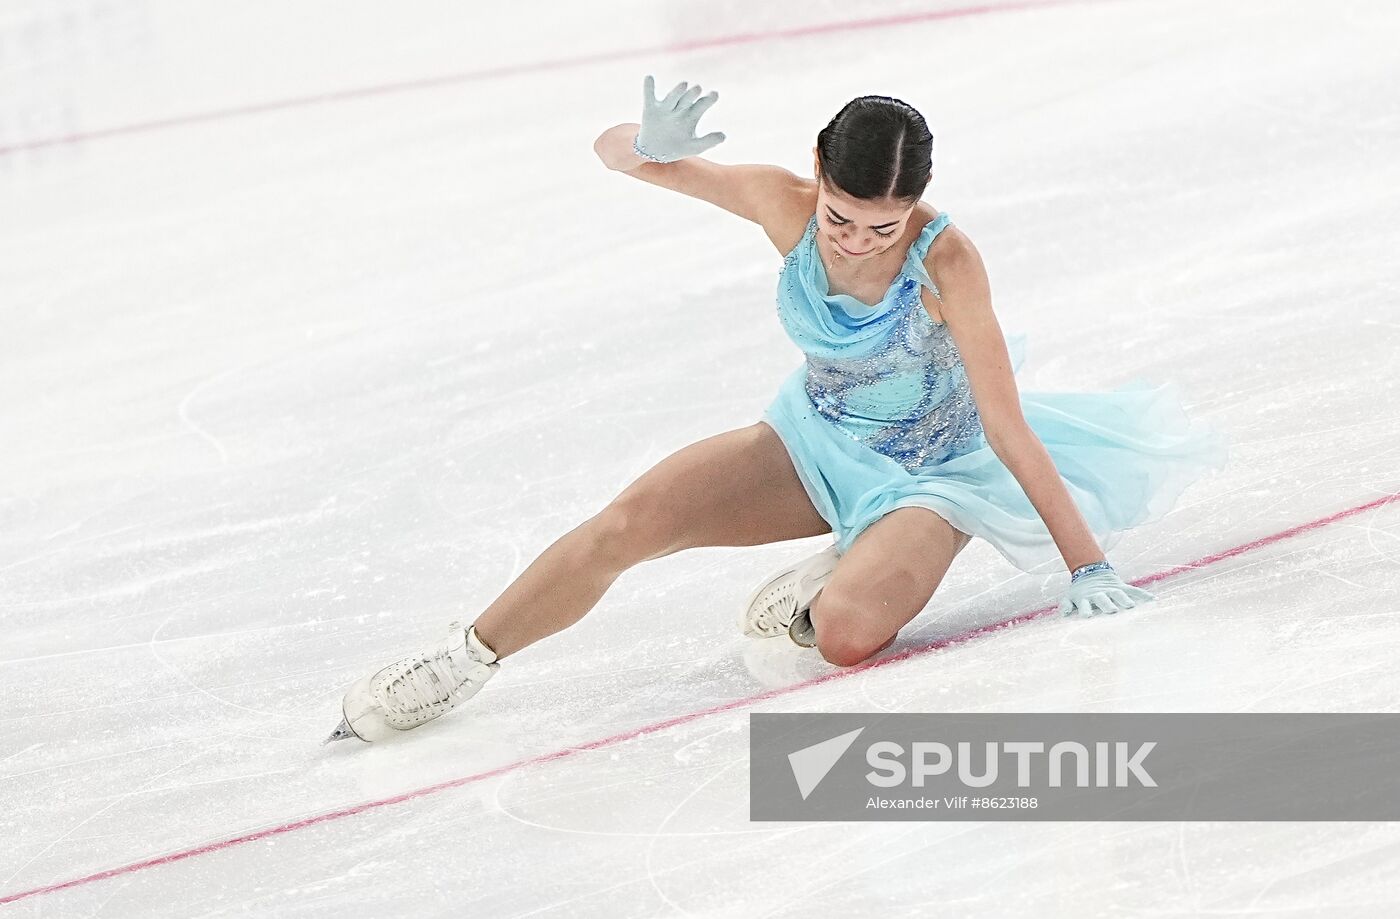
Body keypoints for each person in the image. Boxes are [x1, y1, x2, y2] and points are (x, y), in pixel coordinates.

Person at [325, 76, 1227, 744]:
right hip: (818, 437)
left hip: (936, 471)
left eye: (885, 224)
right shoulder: (780, 204)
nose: (858, 239)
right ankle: (462, 659)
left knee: (843, 634)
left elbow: (1005, 422)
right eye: (842, 216)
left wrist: (1085, 565)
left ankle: (841, 571)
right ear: (817, 176)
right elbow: (618, 158)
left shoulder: (949, 263)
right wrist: (642, 139)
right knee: (628, 524)